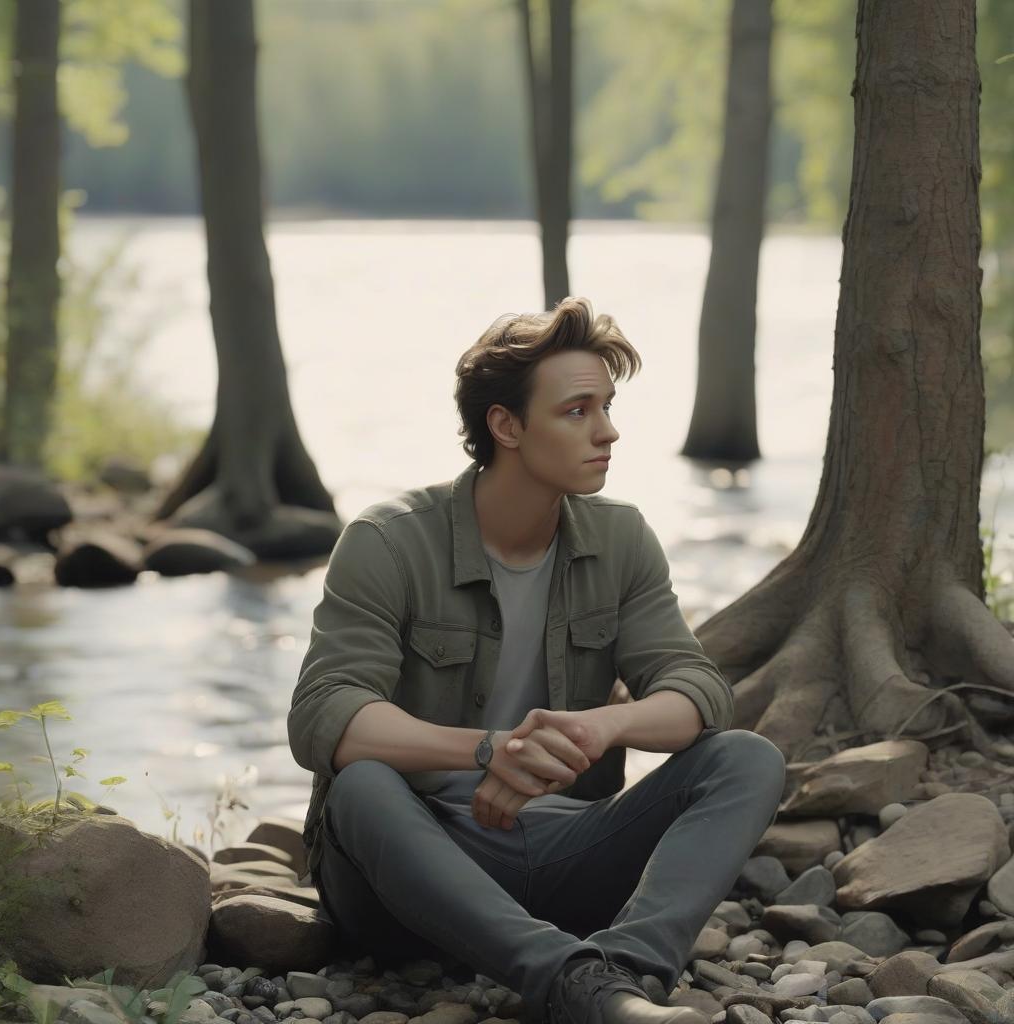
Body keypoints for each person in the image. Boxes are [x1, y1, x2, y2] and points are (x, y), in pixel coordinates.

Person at [287, 297, 786, 1024]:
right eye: (578, 410)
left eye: (607, 407)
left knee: (745, 758)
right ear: (507, 425)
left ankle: (625, 977)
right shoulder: (388, 541)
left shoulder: (621, 541)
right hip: (405, 873)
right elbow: (323, 715)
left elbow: (699, 690)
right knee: (360, 786)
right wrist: (492, 750)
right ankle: (577, 986)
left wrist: (602, 730)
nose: (608, 431)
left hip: (561, 852)